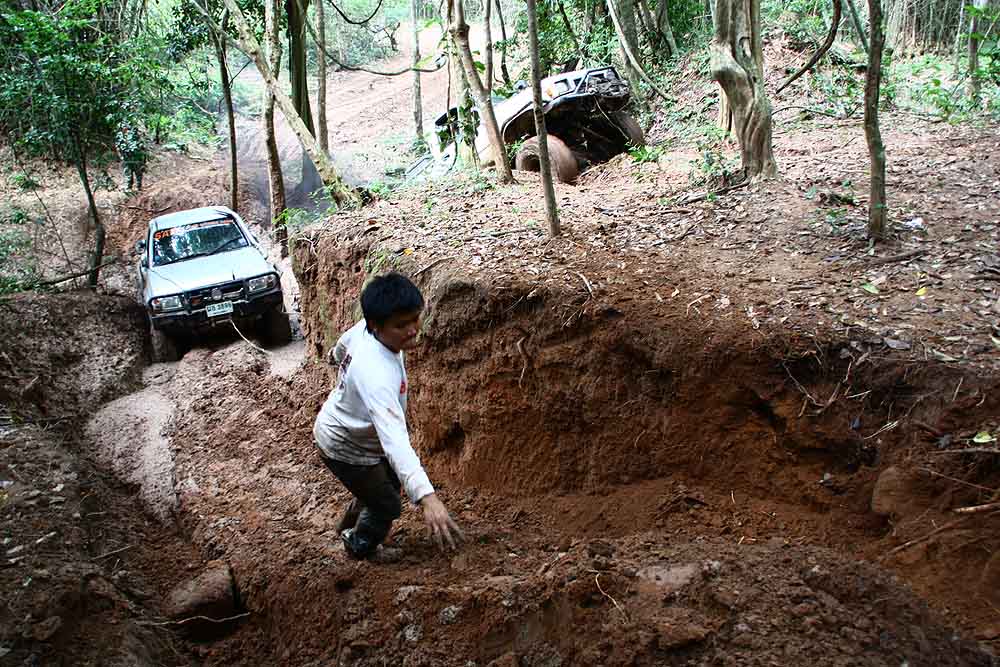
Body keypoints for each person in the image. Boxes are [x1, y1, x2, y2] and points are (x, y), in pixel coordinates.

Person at [314, 272, 464, 561]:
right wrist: (428, 498)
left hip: (352, 432)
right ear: (376, 325)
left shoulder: (366, 329)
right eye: (401, 325)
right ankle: (360, 545)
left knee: (388, 481)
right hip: (344, 445)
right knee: (388, 505)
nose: (412, 330)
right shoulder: (378, 374)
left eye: (414, 319)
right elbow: (395, 441)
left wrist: (335, 357)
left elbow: (343, 345)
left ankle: (349, 523)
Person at [116, 122, 147, 192]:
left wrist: (142, 158)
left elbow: (142, 147)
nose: (125, 129)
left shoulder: (135, 136)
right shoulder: (120, 136)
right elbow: (118, 147)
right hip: (126, 158)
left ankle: (139, 187)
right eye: (123, 127)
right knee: (128, 173)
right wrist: (120, 156)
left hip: (136, 158)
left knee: (138, 173)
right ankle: (128, 187)